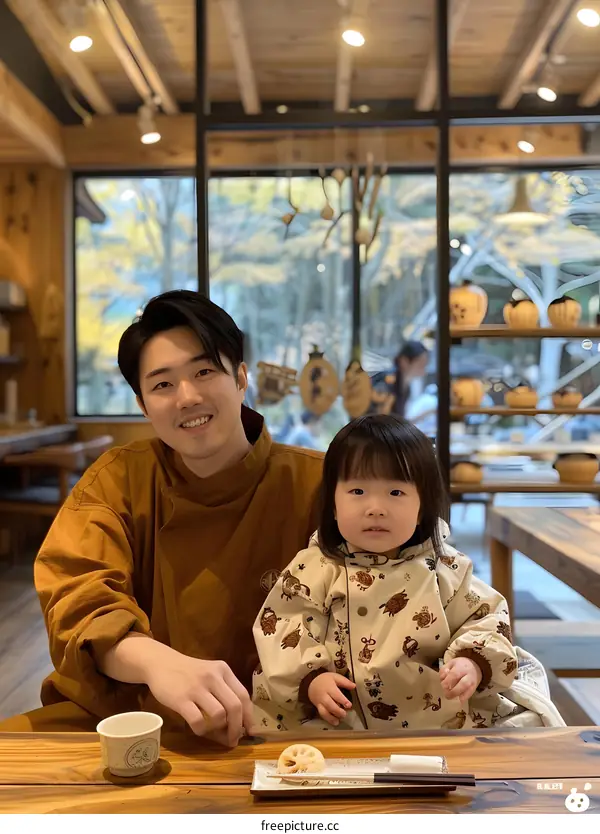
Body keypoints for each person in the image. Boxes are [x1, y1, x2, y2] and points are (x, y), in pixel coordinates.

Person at [0, 291, 323, 746]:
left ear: (242, 378)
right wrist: (156, 663)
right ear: (143, 404)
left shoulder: (319, 482)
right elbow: (77, 598)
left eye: (204, 371)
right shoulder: (117, 479)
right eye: (163, 384)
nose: (187, 397)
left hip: (282, 720)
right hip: (123, 713)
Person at [252, 414, 520, 732]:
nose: (375, 507)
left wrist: (471, 662)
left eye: (395, 493)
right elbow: (281, 627)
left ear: (422, 507)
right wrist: (312, 679)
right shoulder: (314, 568)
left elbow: (487, 618)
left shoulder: (446, 569)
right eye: (357, 491)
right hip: (336, 723)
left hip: (430, 725)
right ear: (333, 505)